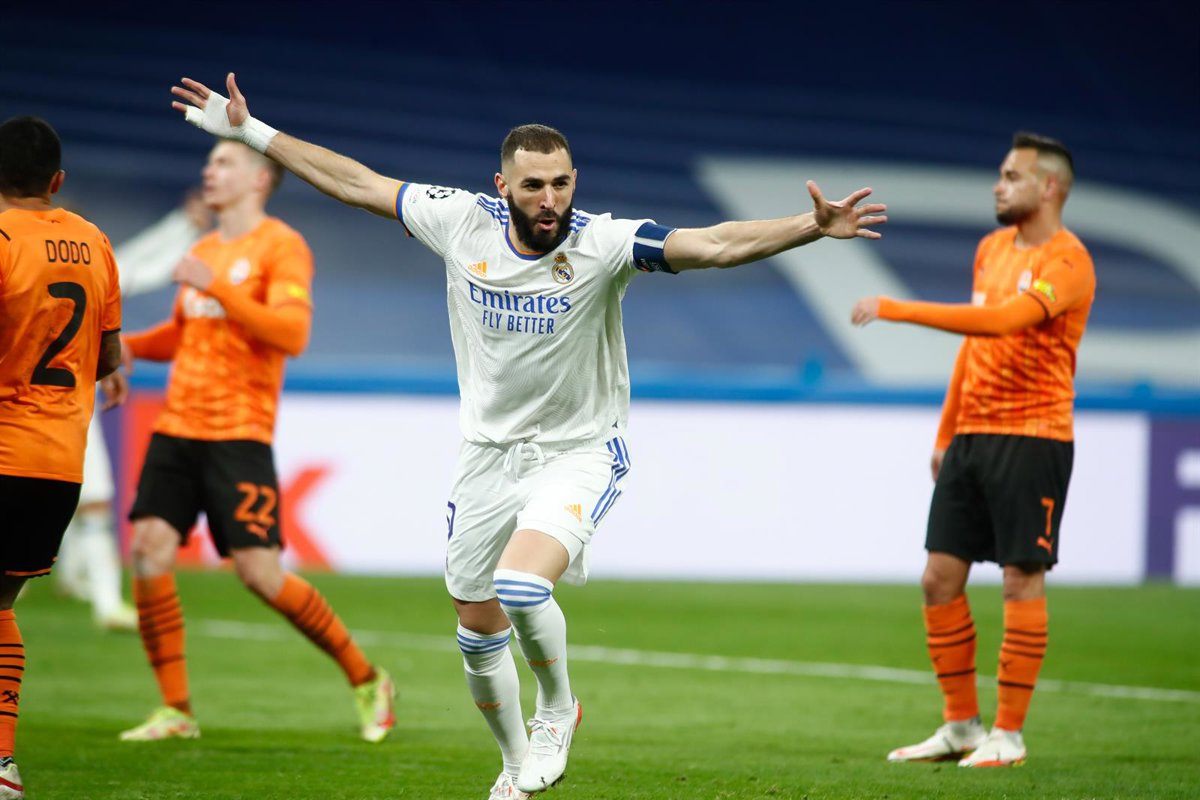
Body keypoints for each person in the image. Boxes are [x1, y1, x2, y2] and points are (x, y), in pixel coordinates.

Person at [170, 72, 886, 798]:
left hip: (578, 451)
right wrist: (252, 132)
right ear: (503, 186)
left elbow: (714, 244)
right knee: (476, 632)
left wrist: (809, 227)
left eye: (562, 183)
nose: (550, 199)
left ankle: (557, 708)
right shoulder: (459, 221)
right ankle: (514, 768)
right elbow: (357, 183)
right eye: (535, 185)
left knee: (519, 584)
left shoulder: (604, 243)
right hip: (487, 457)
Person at [114, 138, 396, 744]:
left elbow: (291, 333)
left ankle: (367, 677)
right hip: (177, 426)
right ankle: (176, 709)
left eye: (224, 163)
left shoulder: (280, 246)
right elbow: (184, 334)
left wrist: (220, 287)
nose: (209, 171)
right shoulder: (204, 249)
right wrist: (125, 346)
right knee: (148, 550)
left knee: (259, 573)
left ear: (260, 178)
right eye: (209, 162)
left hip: (238, 434)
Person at [850, 132, 1095, 768]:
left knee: (1020, 578)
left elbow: (1005, 322)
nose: (998, 185)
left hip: (1034, 436)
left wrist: (895, 308)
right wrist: (946, 431)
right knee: (938, 579)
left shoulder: (1070, 263)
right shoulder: (991, 250)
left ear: (1049, 187)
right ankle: (961, 725)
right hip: (973, 436)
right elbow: (975, 345)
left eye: (1012, 176)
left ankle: (1008, 735)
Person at [0, 115, 125, 800]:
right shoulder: (94, 241)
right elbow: (108, 357)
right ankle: (3, 766)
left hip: (4, 445)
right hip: (57, 464)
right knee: (2, 603)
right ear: (57, 180)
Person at [54, 190, 213, 631]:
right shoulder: (88, 265)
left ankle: (98, 598)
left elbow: (138, 263)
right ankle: (94, 594)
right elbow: (137, 265)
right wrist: (185, 226)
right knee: (79, 502)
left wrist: (184, 225)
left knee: (84, 501)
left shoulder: (29, 264)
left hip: (55, 406)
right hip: (61, 405)